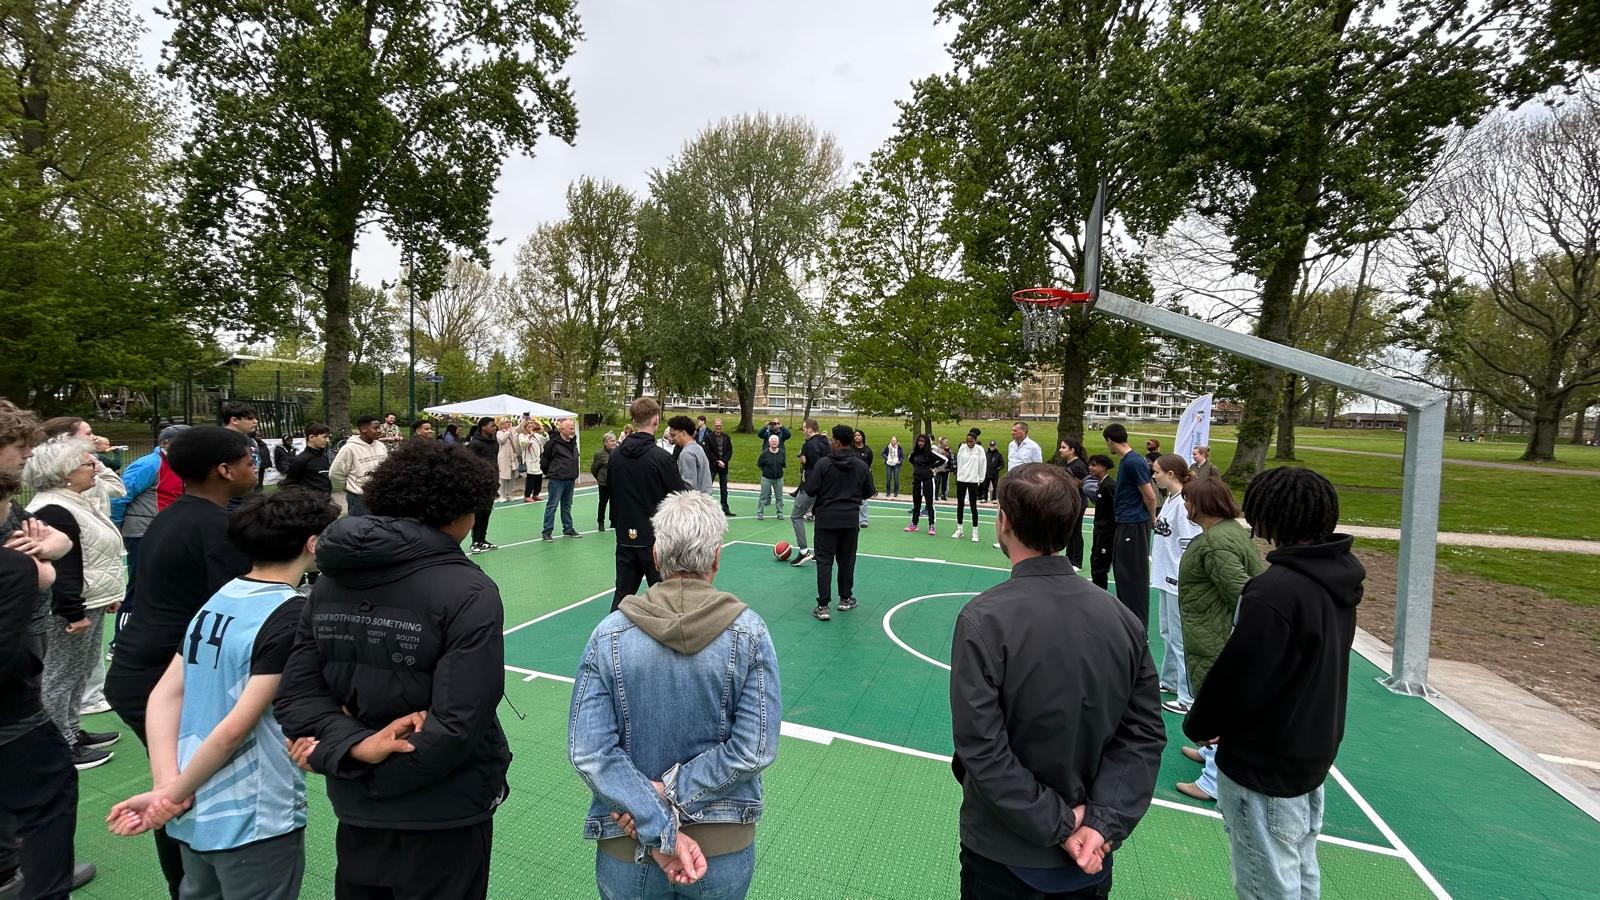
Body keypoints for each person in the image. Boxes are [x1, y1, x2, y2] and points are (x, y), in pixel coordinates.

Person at [274, 439, 509, 900]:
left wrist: (350, 753)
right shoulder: (468, 589)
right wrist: (367, 759)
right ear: (459, 511)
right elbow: (458, 725)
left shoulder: (329, 582)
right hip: (444, 810)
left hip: (356, 808)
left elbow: (298, 699)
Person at [105, 489, 341, 900]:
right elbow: (234, 729)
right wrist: (171, 795)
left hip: (193, 804)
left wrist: (168, 788)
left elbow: (163, 694)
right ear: (313, 543)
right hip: (251, 812)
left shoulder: (221, 595)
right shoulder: (290, 614)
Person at [950, 463, 1164, 899]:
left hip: (1006, 851)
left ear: (1004, 521)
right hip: (1090, 853)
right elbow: (1143, 734)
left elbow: (982, 749)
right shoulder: (1121, 618)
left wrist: (1064, 825)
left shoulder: (983, 620)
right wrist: (1100, 822)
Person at [569, 490, 782, 899]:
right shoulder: (750, 633)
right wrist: (674, 793)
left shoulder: (609, 634)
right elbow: (754, 749)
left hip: (628, 839)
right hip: (721, 842)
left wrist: (654, 812)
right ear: (716, 558)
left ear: (656, 556)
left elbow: (591, 752)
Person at [1184, 467, 1363, 900]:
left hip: (1264, 760)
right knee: (1298, 870)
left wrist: (1201, 722)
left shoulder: (1275, 592)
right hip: (1310, 746)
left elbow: (1242, 675)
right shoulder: (1338, 581)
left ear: (1270, 517)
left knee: (1266, 882)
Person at [104, 426, 259, 898]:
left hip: (143, 667)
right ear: (224, 470)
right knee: (181, 789)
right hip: (159, 676)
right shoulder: (213, 528)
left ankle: (190, 882)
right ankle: (190, 884)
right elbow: (238, 607)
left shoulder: (174, 518)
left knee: (179, 784)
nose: (255, 468)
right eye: (249, 461)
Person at [0, 414, 82, 900]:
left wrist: (55, 546)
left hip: (23, 664)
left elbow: (52, 539)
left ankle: (8, 868)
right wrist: (34, 576)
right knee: (47, 795)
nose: (28, 454)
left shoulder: (17, 513)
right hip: (12, 699)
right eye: (17, 446)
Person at [23, 438, 126, 770]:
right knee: (61, 675)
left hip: (88, 600)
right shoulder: (55, 508)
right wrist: (73, 610)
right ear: (63, 473)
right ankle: (59, 744)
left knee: (77, 672)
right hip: (72, 607)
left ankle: (70, 730)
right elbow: (64, 566)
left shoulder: (73, 502)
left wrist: (103, 597)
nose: (95, 467)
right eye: (87, 464)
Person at [1171, 477, 1264, 803]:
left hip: (1216, 636)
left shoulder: (1216, 542)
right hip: (1213, 631)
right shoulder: (1227, 533)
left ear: (1200, 504)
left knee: (1219, 704)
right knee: (1213, 701)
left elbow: (1242, 592)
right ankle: (1210, 757)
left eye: (1188, 501)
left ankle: (1213, 780)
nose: (1185, 506)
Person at [109, 424, 188, 673]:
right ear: (166, 444)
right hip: (143, 533)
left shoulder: (183, 466)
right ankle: (119, 641)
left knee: (165, 585)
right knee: (138, 585)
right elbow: (121, 496)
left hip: (168, 532)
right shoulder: (148, 465)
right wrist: (118, 528)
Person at [607, 399, 684, 611]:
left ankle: (609, 639)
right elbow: (680, 496)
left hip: (625, 536)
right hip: (656, 540)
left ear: (634, 419)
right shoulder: (661, 458)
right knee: (666, 600)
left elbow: (610, 490)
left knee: (622, 595)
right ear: (656, 420)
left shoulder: (615, 456)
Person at [803, 424, 875, 622]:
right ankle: (845, 598)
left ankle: (823, 606)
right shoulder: (861, 465)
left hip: (826, 520)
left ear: (835, 441)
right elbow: (868, 492)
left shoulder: (823, 464)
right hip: (850, 520)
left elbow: (810, 490)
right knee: (846, 560)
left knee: (824, 562)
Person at [1150, 454, 1203, 716]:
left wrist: (1185, 578)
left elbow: (1191, 545)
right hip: (1165, 577)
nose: (1154, 476)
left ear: (1171, 474)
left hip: (1177, 580)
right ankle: (1170, 681)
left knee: (1180, 638)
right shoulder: (1170, 500)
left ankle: (1188, 697)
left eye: (1157, 472)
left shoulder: (1185, 504)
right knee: (1167, 633)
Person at [1104, 424, 1157, 630]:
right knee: (1123, 572)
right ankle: (1128, 621)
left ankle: (1137, 626)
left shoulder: (1133, 461)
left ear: (1110, 440)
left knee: (1133, 575)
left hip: (1134, 524)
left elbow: (1150, 496)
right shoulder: (1129, 460)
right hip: (1127, 522)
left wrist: (1152, 518)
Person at [786, 420, 831, 568]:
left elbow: (810, 463)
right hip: (826, 488)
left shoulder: (809, 445)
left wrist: (803, 459)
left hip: (812, 486)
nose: (803, 431)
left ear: (810, 429)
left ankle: (804, 551)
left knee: (796, 516)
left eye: (804, 428)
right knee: (821, 519)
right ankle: (820, 552)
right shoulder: (827, 442)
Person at [329, 415, 388, 517]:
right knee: (361, 528)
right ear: (363, 429)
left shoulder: (381, 446)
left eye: (380, 428)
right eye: (375, 428)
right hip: (359, 498)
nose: (379, 431)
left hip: (380, 495)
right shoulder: (349, 448)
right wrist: (349, 487)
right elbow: (335, 473)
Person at [541, 417, 583, 542]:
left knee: (567, 505)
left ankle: (568, 528)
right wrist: (551, 473)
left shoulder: (573, 441)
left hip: (570, 479)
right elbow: (544, 461)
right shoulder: (552, 443)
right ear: (562, 429)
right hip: (557, 479)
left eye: (573, 427)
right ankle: (547, 531)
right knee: (552, 505)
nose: (572, 429)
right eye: (570, 427)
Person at [465, 418, 499, 553]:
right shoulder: (475, 444)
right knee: (478, 513)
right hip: (479, 482)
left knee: (486, 512)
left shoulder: (494, 442)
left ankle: (482, 540)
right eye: (492, 426)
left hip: (492, 481)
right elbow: (470, 463)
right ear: (483, 427)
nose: (495, 428)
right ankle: (475, 541)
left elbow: (494, 462)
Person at [1055, 438, 1090, 568]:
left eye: (1063, 447)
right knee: (1070, 530)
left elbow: (1085, 484)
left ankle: (1077, 562)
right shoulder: (1069, 465)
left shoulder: (1078, 466)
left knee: (1076, 531)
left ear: (1072, 450)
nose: (1060, 450)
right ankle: (1069, 558)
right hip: (1070, 502)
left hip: (1078, 503)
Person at [220, 402, 267, 497]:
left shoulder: (250, 440)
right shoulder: (220, 441)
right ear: (234, 420)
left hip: (249, 493)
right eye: (250, 418)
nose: (256, 421)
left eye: (256, 418)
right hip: (229, 497)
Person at [1086, 455, 1117, 592]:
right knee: (1095, 562)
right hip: (1099, 530)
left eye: (1094, 465)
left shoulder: (1109, 486)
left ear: (1103, 467)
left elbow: (1115, 509)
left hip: (1106, 533)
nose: (1090, 468)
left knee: (1100, 567)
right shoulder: (1101, 484)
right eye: (1090, 465)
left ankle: (1100, 594)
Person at [952, 428, 986, 544]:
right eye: (967, 441)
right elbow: (959, 462)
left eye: (971, 441)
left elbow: (982, 464)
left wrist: (980, 479)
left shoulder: (979, 450)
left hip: (973, 480)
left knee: (973, 506)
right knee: (960, 504)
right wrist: (958, 476)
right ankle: (959, 529)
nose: (969, 443)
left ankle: (975, 531)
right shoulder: (962, 448)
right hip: (962, 479)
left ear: (975, 441)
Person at [667, 415, 713, 499]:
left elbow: (688, 487)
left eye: (673, 435)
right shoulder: (698, 448)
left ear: (683, 433)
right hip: (705, 501)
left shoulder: (686, 453)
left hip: (694, 505)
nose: (672, 439)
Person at [282, 423, 333, 494]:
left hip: (325, 501)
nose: (327, 440)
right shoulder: (300, 460)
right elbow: (290, 483)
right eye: (324, 437)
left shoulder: (324, 456)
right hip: (310, 502)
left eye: (328, 437)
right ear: (311, 437)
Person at [904, 434, 939, 535]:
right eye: (919, 441)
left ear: (926, 443)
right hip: (917, 481)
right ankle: (914, 524)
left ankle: (931, 525)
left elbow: (943, 460)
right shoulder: (915, 453)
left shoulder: (930, 454)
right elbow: (910, 459)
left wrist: (932, 467)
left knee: (929, 504)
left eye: (923, 441)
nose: (920, 443)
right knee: (916, 503)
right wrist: (918, 468)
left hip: (928, 481)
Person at [706, 419, 736, 516]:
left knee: (724, 488)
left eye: (720, 426)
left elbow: (729, 451)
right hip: (713, 466)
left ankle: (725, 507)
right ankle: (707, 508)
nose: (718, 427)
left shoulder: (726, 437)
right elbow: (708, 452)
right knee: (708, 487)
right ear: (713, 426)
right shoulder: (708, 437)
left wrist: (724, 461)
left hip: (724, 466)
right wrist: (716, 461)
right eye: (717, 425)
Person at [756, 434, 785, 521]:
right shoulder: (765, 453)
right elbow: (759, 464)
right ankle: (760, 512)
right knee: (763, 496)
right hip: (766, 479)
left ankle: (780, 513)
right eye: (772, 441)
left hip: (779, 479)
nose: (774, 443)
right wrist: (766, 471)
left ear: (778, 443)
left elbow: (783, 463)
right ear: (769, 443)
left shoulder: (781, 453)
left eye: (776, 441)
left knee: (779, 497)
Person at [593, 433, 616, 533]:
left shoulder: (617, 452)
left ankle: (613, 521)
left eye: (614, 440)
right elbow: (594, 468)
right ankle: (600, 522)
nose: (614, 443)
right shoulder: (599, 454)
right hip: (604, 483)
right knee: (603, 503)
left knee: (614, 503)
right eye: (611, 441)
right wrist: (599, 478)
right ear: (605, 443)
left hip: (615, 482)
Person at [519, 418, 547, 502]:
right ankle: (527, 495)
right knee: (531, 479)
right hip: (529, 460)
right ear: (525, 428)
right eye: (529, 426)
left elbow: (545, 440)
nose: (531, 428)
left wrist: (542, 432)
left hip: (538, 460)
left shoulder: (537, 436)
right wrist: (530, 436)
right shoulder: (522, 435)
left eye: (532, 426)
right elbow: (523, 443)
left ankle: (536, 494)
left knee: (539, 478)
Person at [495, 417, 519, 502]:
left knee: (512, 476)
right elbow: (501, 440)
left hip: (512, 457)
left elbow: (518, 430)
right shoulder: (499, 433)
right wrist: (508, 432)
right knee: (503, 477)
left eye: (509, 422)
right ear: (501, 424)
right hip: (504, 458)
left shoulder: (512, 431)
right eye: (506, 422)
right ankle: (502, 495)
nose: (509, 423)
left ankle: (509, 494)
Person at [982, 440, 1003, 504]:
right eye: (991, 446)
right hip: (987, 472)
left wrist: (997, 469)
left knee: (995, 486)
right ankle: (984, 498)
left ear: (995, 446)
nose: (992, 447)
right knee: (985, 486)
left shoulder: (998, 455)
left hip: (994, 473)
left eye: (993, 446)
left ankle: (994, 498)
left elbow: (1002, 464)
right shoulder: (986, 454)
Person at [933, 436, 952, 501]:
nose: (947, 443)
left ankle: (943, 495)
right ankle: (935, 495)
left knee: (944, 483)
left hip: (945, 468)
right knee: (937, 482)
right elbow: (936, 458)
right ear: (942, 442)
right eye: (945, 442)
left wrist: (948, 453)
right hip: (939, 468)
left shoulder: (948, 449)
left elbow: (950, 458)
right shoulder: (937, 449)